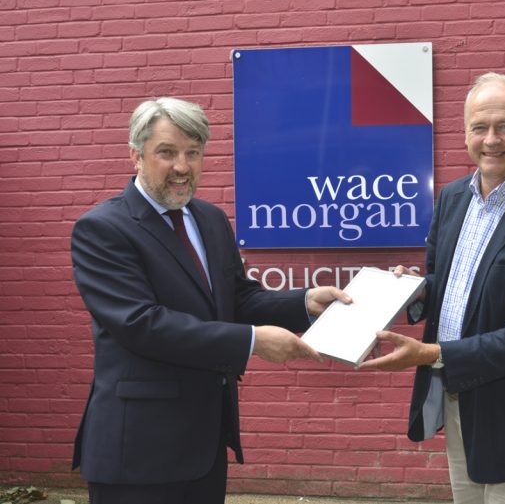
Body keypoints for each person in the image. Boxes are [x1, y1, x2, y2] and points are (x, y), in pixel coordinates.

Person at [70, 97, 350, 504]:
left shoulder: (210, 219)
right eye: (166, 153)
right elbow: (142, 324)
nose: (182, 167)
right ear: (136, 155)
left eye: (193, 153)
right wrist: (252, 341)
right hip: (138, 454)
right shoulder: (102, 229)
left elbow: (237, 297)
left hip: (203, 446)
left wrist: (304, 303)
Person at [359, 72, 505, 504]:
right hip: (455, 400)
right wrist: (413, 292)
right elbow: (444, 285)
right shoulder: (451, 199)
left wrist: (431, 355)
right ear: (465, 133)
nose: (491, 139)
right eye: (479, 127)